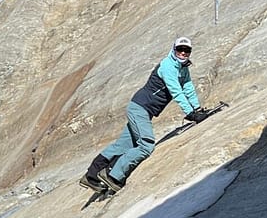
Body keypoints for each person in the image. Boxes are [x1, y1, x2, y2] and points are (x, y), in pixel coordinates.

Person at [81, 37, 209, 194]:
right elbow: (176, 91)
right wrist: (190, 113)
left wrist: (197, 108)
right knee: (146, 145)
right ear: (173, 49)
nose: (183, 53)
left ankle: (91, 176)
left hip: (142, 109)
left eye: (186, 50)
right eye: (179, 49)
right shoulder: (168, 66)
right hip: (140, 108)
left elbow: (188, 87)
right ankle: (112, 176)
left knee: (123, 145)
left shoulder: (183, 68)